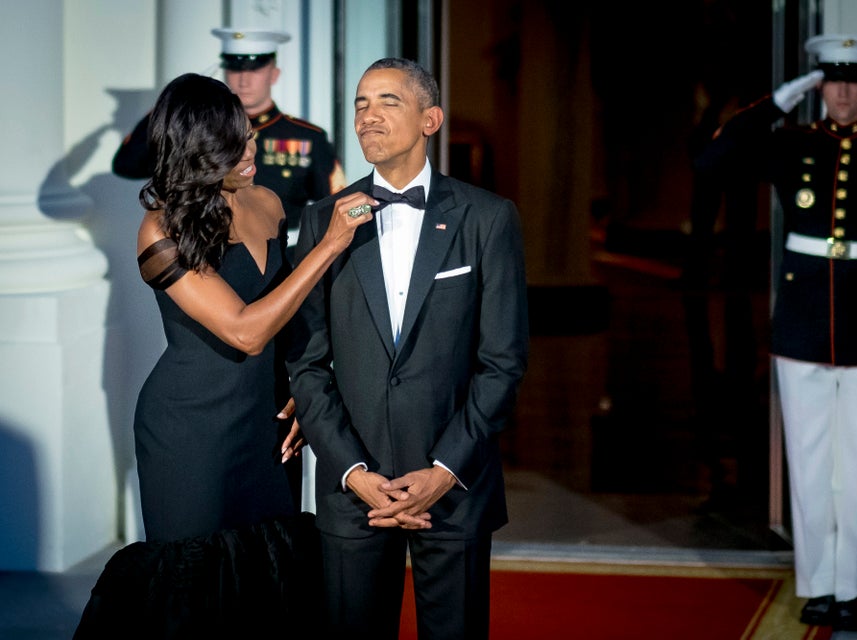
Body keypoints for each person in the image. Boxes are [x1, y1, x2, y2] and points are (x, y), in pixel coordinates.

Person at [74, 72, 373, 636]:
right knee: (195, 596)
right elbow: (245, 331)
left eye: (251, 135)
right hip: (190, 434)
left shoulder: (266, 201)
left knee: (268, 585)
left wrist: (301, 396)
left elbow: (290, 323)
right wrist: (330, 244)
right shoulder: (158, 228)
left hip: (266, 427)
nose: (252, 149)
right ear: (199, 148)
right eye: (235, 141)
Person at [696, 34, 857, 632]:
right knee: (806, 463)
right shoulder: (789, 142)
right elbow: (712, 162)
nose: (842, 91)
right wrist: (776, 102)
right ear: (819, 84)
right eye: (831, 79)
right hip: (803, 320)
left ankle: (854, 588)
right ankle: (820, 582)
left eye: (852, 80)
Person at [286, 57, 529, 639]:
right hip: (354, 490)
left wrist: (444, 469)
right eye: (360, 105)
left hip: (453, 485)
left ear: (431, 119)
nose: (367, 117)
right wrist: (351, 470)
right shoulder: (324, 219)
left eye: (387, 102)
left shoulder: (488, 218)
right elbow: (305, 361)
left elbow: (503, 360)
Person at [113, 27, 346, 247]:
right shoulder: (198, 133)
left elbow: (338, 203)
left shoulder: (307, 137)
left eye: (254, 69)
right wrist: (170, 105)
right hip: (211, 250)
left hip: (286, 253)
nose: (244, 80)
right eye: (235, 69)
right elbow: (127, 165)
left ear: (274, 75)